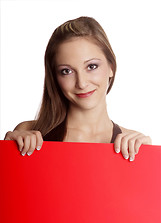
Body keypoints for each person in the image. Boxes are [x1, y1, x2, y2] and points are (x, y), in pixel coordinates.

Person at [4, 16, 151, 161]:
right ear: (54, 76)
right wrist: (5, 155)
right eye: (67, 71)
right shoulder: (29, 133)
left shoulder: (134, 145)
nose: (81, 83)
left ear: (111, 67)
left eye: (92, 66)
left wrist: (149, 161)